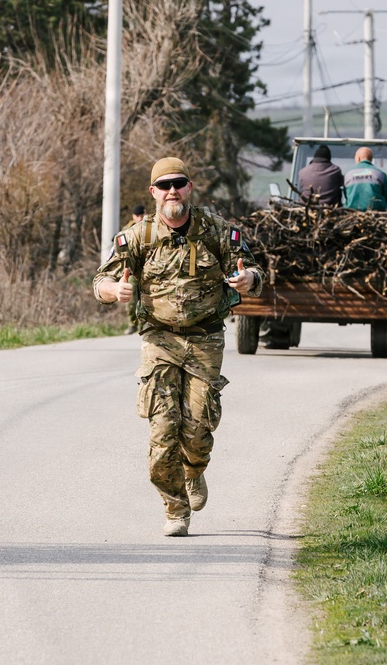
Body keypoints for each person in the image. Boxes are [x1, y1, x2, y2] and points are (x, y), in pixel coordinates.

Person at [93, 157, 265, 537]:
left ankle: (194, 469)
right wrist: (114, 290)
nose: (172, 191)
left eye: (179, 184)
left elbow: (255, 272)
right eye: (164, 185)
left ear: (190, 188)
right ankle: (175, 509)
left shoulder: (217, 231)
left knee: (198, 429)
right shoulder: (136, 237)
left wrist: (247, 280)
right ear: (153, 192)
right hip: (159, 339)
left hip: (205, 339)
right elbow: (100, 281)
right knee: (162, 431)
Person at [122, 205, 147, 335]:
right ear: (133, 216)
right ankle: (132, 323)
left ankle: (144, 324)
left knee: (145, 299)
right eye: (138, 216)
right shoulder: (127, 230)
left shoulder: (150, 228)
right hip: (132, 269)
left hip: (146, 269)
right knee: (131, 300)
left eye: (142, 215)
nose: (140, 218)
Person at [344, 147, 387, 211]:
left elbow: (346, 195)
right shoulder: (380, 174)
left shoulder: (348, 174)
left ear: (358, 158)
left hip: (351, 211)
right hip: (376, 211)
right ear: (371, 159)